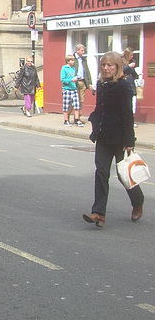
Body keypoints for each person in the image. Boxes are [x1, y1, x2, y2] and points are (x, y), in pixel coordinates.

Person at [84, 51, 144, 227]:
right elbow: (99, 108)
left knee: (124, 175)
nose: (106, 68)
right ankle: (99, 213)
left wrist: (129, 141)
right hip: (103, 136)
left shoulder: (123, 85)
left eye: (110, 65)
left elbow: (127, 114)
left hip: (120, 138)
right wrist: (95, 120)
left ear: (118, 67)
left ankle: (137, 201)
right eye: (103, 65)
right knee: (101, 172)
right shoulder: (101, 84)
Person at [70, 44, 94, 122]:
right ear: (77, 50)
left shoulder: (83, 59)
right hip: (75, 82)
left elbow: (87, 71)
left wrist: (89, 82)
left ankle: (77, 118)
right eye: (82, 50)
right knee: (73, 101)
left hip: (83, 82)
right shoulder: (72, 59)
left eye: (84, 50)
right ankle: (67, 117)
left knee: (81, 101)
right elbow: (68, 70)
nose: (83, 52)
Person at [61, 54, 82, 127]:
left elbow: (73, 78)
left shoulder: (73, 69)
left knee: (77, 105)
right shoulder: (64, 68)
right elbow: (62, 79)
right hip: (67, 89)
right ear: (68, 61)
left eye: (73, 60)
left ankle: (77, 119)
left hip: (74, 89)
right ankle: (66, 120)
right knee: (66, 106)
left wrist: (76, 79)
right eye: (72, 60)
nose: (73, 61)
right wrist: (71, 80)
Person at [122, 47, 138, 119]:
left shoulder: (132, 61)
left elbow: (133, 73)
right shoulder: (121, 61)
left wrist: (137, 73)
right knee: (125, 101)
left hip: (131, 82)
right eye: (131, 55)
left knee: (131, 101)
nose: (132, 57)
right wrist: (128, 66)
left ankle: (131, 119)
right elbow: (120, 70)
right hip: (124, 82)